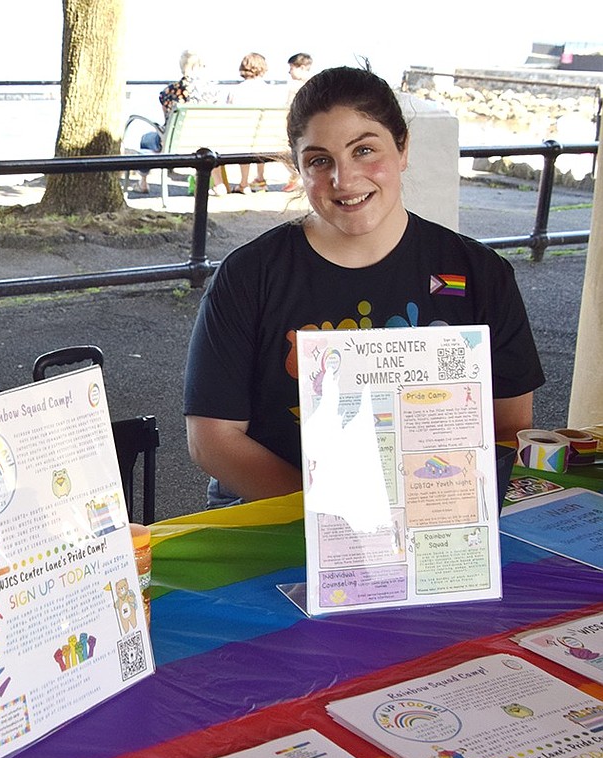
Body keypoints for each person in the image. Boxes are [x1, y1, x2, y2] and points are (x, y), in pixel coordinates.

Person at [184, 65, 544, 507]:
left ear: (403, 147)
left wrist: (424, 513)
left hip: (434, 513)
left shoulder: (480, 272)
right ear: (296, 166)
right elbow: (212, 440)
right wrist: (334, 516)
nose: (345, 179)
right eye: (319, 160)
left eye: (364, 150)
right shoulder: (248, 276)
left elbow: (508, 427)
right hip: (280, 508)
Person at [135, 50, 221, 194]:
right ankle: (217, 185)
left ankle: (143, 182)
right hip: (205, 141)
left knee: (146, 140)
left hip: (174, 144)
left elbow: (167, 121)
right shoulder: (214, 92)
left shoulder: (169, 91)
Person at [219, 52, 286, 193]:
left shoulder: (236, 90)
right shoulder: (272, 91)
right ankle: (260, 178)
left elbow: (229, 116)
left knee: (244, 137)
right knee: (257, 138)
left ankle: (244, 184)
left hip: (242, 137)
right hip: (267, 137)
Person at [283, 53, 314, 192]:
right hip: (311, 130)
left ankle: (296, 176)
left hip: (298, 131)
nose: (289, 71)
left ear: (301, 67)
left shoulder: (294, 87)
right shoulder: (315, 84)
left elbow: (288, 110)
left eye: (291, 68)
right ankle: (297, 177)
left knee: (283, 149)